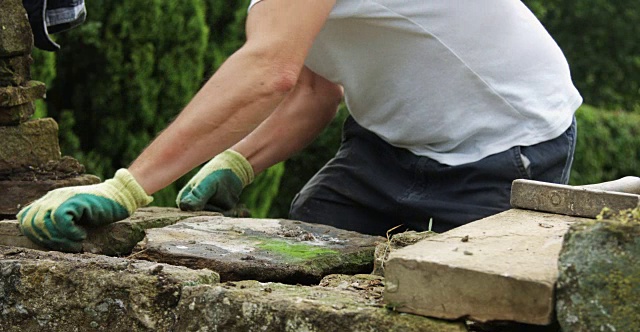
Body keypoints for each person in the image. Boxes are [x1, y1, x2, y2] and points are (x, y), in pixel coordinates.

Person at [17, 0, 582, 252]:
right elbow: (317, 90)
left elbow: (271, 71)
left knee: (462, 305)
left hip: (509, 141)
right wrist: (240, 162)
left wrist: (127, 187)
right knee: (310, 246)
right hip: (389, 144)